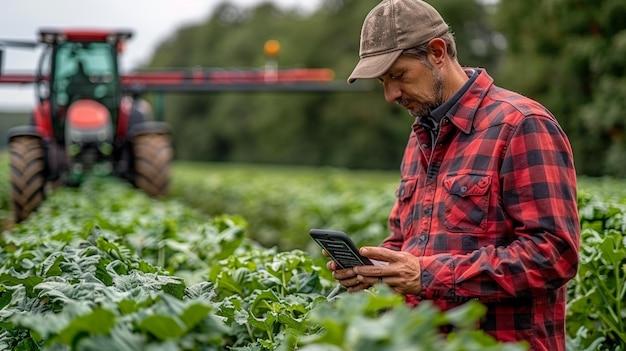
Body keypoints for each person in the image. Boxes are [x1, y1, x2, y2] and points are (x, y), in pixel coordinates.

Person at [326, 1, 580, 350]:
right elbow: (408, 242)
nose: (390, 95)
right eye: (384, 82)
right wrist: (375, 270)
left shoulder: (521, 125)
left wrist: (428, 275)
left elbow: (554, 254)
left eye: (398, 75)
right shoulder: (420, 135)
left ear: (437, 52)